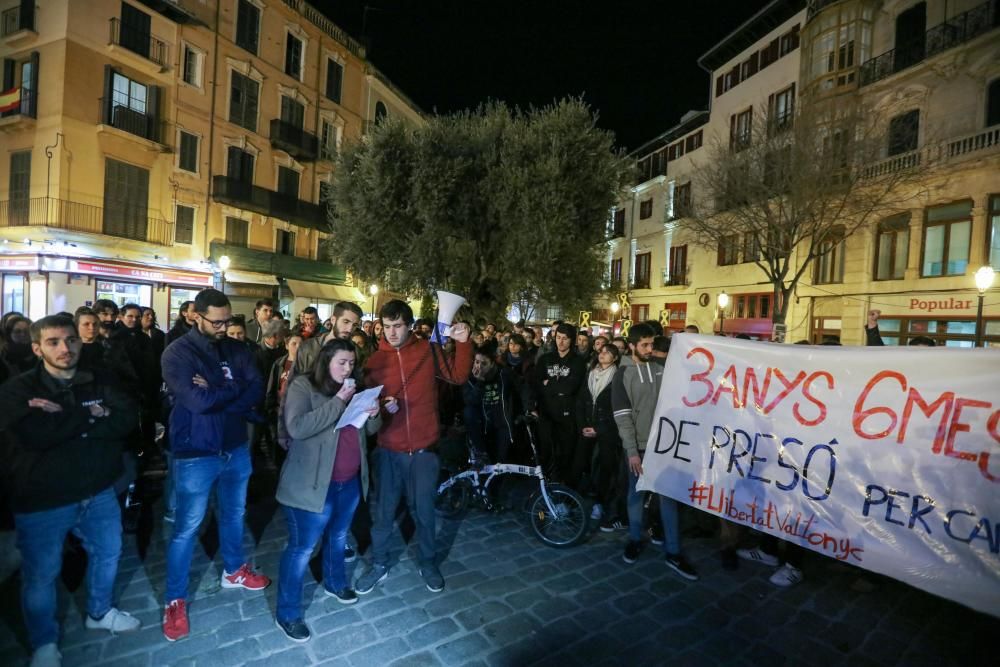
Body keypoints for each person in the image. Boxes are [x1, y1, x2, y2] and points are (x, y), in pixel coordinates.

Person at [0, 315, 141, 667]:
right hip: (43, 498)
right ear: (36, 348)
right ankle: (44, 643)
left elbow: (126, 418)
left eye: (71, 340)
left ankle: (100, 611)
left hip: (97, 490)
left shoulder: (97, 378)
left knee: (108, 552)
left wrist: (63, 418)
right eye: (53, 342)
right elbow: (33, 435)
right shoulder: (18, 389)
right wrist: (91, 415)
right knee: (41, 574)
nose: (65, 348)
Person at [159, 289, 268, 642]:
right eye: (216, 321)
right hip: (196, 451)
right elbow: (197, 401)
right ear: (195, 316)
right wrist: (231, 390)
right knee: (187, 526)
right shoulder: (177, 353)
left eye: (228, 320)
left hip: (235, 446)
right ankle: (174, 598)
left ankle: (234, 569)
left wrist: (219, 389)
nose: (224, 327)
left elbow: (256, 389)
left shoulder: (238, 348)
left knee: (234, 514)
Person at [355, 300, 472, 595]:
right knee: (383, 514)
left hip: (424, 450)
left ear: (409, 325)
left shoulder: (427, 351)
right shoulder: (374, 361)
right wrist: (381, 407)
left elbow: (458, 376)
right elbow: (366, 405)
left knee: (425, 513)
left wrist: (464, 343)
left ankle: (428, 562)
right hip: (388, 451)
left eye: (397, 326)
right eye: (386, 326)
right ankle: (379, 563)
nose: (391, 333)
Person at [274, 339, 381, 642]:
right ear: (326, 361)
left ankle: (335, 582)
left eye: (351, 363)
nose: (348, 369)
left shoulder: (354, 387)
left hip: (348, 482)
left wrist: (374, 414)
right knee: (302, 549)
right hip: (310, 486)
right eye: (341, 362)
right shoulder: (303, 386)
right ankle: (288, 613)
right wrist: (338, 402)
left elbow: (369, 431)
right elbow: (297, 427)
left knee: (337, 536)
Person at [612, 323, 698, 580]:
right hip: (637, 447)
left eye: (652, 344)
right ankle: (635, 538)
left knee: (668, 498)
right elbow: (622, 416)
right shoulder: (622, 374)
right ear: (632, 346)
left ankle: (673, 552)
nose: (651, 349)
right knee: (636, 494)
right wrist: (631, 451)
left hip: (664, 446)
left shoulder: (662, 369)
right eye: (645, 345)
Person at [575, 343, 624, 525]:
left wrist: (600, 429)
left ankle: (600, 503)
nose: (603, 354)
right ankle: (574, 498)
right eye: (601, 351)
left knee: (606, 467)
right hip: (586, 427)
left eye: (608, 352)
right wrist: (582, 426)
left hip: (607, 430)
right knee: (580, 463)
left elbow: (617, 408)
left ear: (615, 358)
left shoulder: (618, 377)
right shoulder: (590, 373)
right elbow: (581, 401)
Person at [531, 322, 586, 480]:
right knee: (546, 452)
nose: (561, 342)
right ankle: (546, 485)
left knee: (565, 454)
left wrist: (548, 383)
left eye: (565, 339)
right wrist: (557, 386)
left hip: (567, 417)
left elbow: (571, 387)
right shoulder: (545, 359)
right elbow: (536, 382)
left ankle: (563, 487)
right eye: (559, 337)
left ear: (572, 340)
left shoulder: (578, 362)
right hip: (546, 414)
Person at [294, 302, 363, 377]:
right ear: (333, 320)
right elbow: (293, 383)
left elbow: (358, 382)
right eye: (345, 322)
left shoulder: (356, 352)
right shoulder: (307, 347)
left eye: (354, 325)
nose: (350, 329)